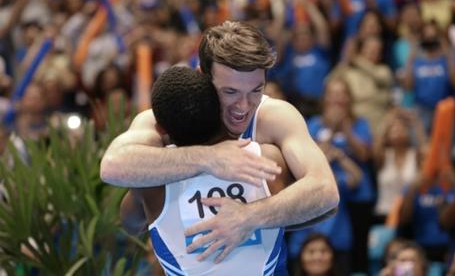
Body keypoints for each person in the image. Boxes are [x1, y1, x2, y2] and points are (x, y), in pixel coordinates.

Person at [100, 20, 339, 262]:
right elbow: (112, 166)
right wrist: (211, 158)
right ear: (202, 77)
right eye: (230, 92)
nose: (244, 107)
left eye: (256, 90)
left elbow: (326, 192)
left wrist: (248, 218)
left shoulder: (274, 117)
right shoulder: (170, 118)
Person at [120, 66, 293, 275]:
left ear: (161, 130)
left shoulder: (152, 183)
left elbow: (130, 225)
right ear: (218, 109)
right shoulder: (270, 159)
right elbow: (304, 213)